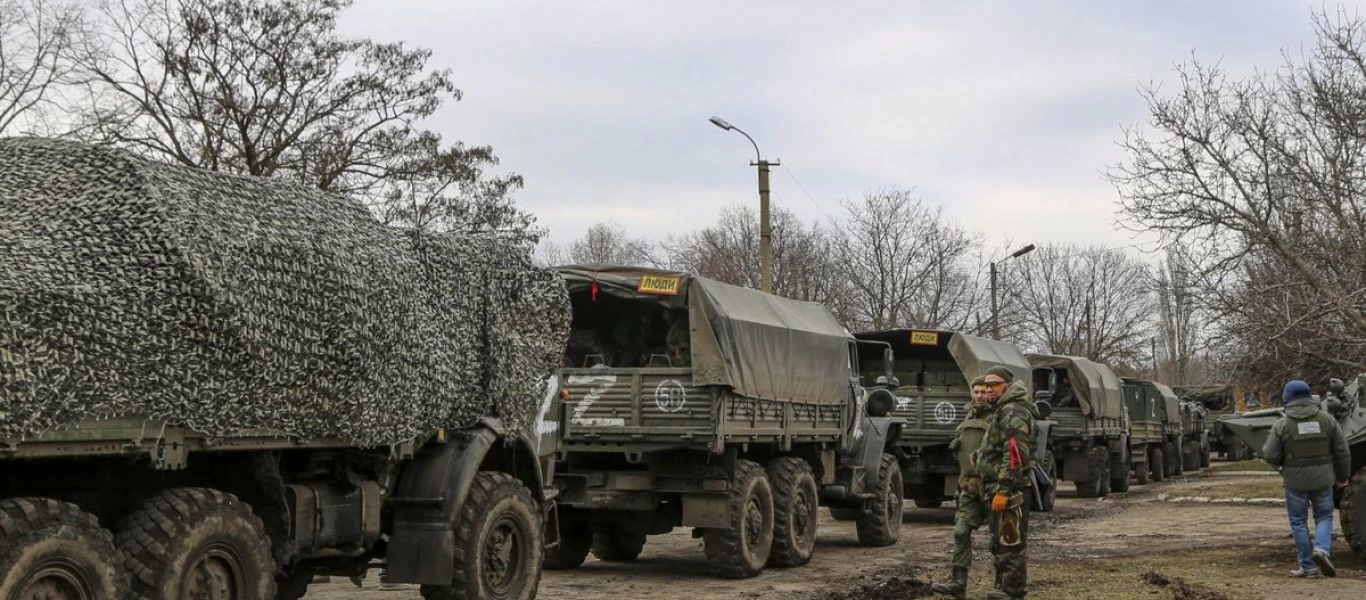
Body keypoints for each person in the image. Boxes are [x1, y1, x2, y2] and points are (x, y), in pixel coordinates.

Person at [1261, 379, 1351, 578]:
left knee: (1298, 522)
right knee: (1325, 516)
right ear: (1310, 397)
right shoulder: (1327, 420)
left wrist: (1284, 464)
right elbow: (1342, 452)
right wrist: (1343, 477)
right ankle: (1321, 549)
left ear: (1287, 399)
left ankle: (1308, 566)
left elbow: (1269, 454)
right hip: (1324, 478)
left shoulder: (1282, 424)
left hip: (1295, 480)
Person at [931, 375, 996, 598]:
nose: (980, 396)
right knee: (960, 532)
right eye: (976, 392)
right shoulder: (968, 416)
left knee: (999, 539)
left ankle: (1001, 586)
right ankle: (959, 584)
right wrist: (957, 446)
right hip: (969, 486)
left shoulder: (1000, 416)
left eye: (984, 392)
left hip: (992, 486)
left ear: (991, 392)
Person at [977, 366, 1038, 600]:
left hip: (1011, 490)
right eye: (987, 385)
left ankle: (1013, 594)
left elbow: (1014, 454)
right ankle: (1002, 589)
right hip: (997, 487)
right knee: (999, 544)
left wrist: (1004, 489)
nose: (989, 389)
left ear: (1007, 386)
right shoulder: (1002, 409)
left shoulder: (1013, 411)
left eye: (994, 385)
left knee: (1010, 545)